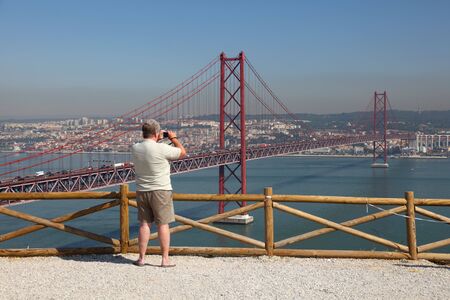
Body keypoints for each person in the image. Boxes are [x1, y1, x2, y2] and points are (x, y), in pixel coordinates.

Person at [131, 119, 186, 267]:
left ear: (143, 133)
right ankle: (165, 260)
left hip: (142, 190)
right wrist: (173, 138)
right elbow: (182, 152)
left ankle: (141, 258)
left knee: (144, 224)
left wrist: (157, 139)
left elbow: (149, 148)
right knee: (163, 225)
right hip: (161, 190)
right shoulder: (162, 149)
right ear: (156, 133)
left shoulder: (135, 147)